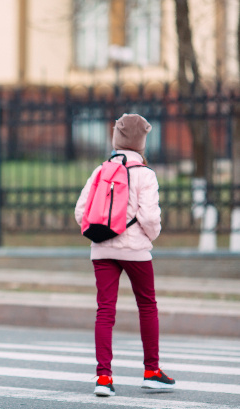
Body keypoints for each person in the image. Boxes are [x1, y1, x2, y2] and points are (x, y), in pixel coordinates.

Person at [75, 113, 176, 397]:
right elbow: (150, 217)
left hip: (102, 248)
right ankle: (151, 371)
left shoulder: (100, 170)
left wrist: (101, 234)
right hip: (136, 250)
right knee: (147, 305)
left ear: (116, 140)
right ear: (141, 143)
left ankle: (103, 378)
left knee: (105, 310)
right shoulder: (145, 174)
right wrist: (149, 238)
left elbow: (81, 211)